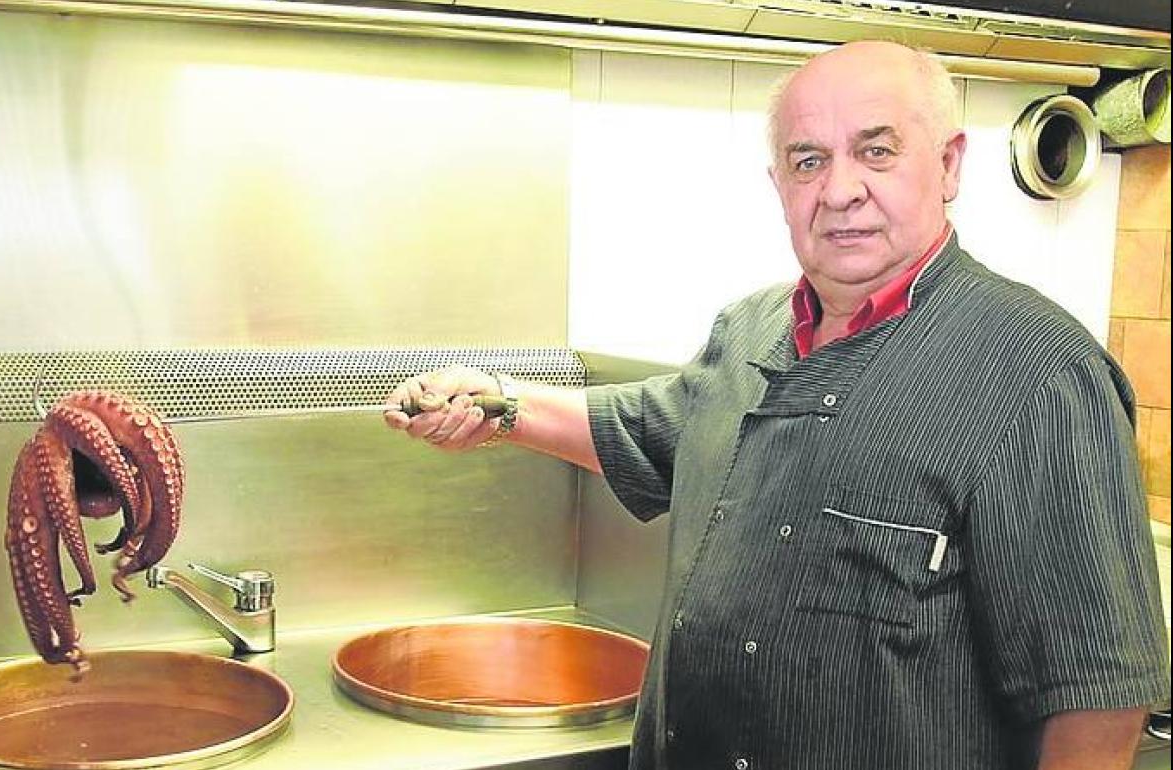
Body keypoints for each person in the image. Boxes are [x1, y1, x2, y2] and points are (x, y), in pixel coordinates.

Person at [382, 41, 1169, 770]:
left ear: (949, 165)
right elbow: (654, 429)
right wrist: (500, 404)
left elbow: (1099, 694)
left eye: (877, 150)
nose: (840, 190)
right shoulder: (751, 327)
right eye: (807, 160)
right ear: (778, 184)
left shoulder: (1037, 372)